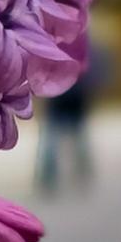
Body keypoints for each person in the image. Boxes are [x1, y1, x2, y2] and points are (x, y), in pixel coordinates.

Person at [37, 40, 110, 195]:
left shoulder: (59, 44)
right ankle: (60, 176)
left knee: (58, 141)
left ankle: (61, 176)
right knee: (58, 141)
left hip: (67, 99)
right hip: (64, 99)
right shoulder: (72, 45)